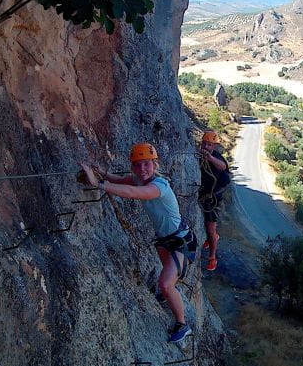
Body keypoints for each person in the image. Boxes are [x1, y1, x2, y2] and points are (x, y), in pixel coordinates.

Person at [81, 143, 193, 344]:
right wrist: (102, 173)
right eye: (138, 165)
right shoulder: (139, 179)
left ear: (154, 164)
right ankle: (170, 295)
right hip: (166, 239)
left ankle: (182, 324)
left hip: (180, 241)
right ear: (133, 167)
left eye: (147, 164)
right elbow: (122, 181)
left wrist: (98, 184)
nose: (142, 169)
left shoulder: (159, 187)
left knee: (165, 284)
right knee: (168, 281)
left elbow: (131, 193)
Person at [197, 130, 230, 272]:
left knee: (210, 227)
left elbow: (222, 166)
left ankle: (212, 256)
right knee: (206, 223)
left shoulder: (216, 157)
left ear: (214, 146)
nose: (206, 146)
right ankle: (210, 238)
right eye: (204, 143)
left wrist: (209, 157)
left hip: (215, 196)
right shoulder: (199, 155)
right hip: (206, 194)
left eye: (209, 144)